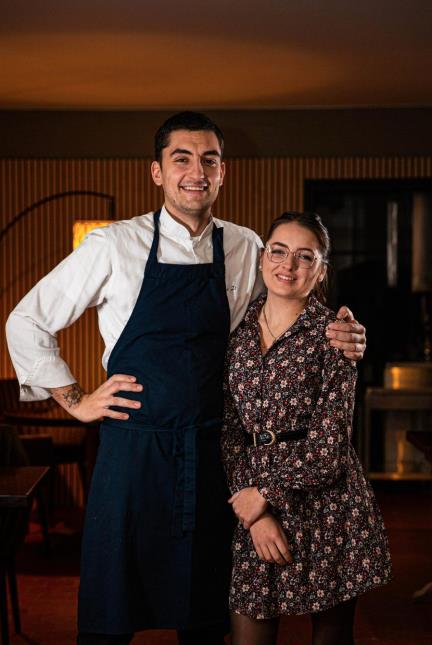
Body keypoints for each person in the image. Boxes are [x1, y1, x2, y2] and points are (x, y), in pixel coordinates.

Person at [6, 113, 366, 645]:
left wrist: (346, 331)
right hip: (133, 455)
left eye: (209, 159)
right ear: (157, 172)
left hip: (212, 454)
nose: (196, 171)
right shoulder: (115, 244)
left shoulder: (246, 247)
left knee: (204, 620)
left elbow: (285, 312)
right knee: (110, 616)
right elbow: (26, 320)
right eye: (182, 158)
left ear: (223, 173)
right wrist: (76, 400)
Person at [221, 211, 391, 645]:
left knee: (330, 640)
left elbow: (329, 450)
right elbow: (230, 431)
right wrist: (253, 511)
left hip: (329, 509)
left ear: (320, 272)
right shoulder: (234, 334)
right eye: (278, 252)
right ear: (262, 259)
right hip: (255, 506)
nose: (288, 265)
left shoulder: (335, 336)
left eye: (304, 256)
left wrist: (265, 495)